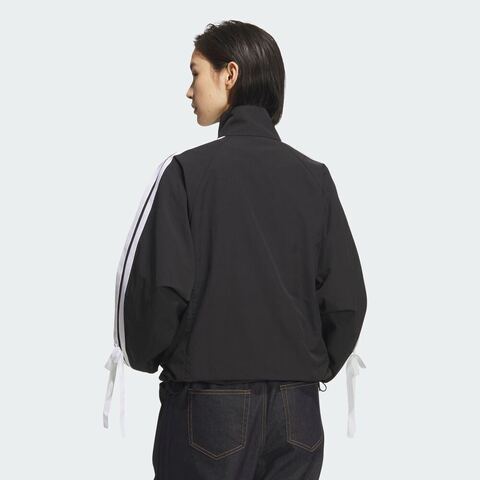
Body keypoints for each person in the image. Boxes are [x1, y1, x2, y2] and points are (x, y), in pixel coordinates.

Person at [103, 19, 367, 480]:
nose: (189, 91)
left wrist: (142, 355)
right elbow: (346, 301)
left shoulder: (186, 173)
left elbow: (155, 289)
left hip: (209, 409)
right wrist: (307, 366)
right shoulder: (315, 178)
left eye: (195, 73)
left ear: (230, 74)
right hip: (298, 412)